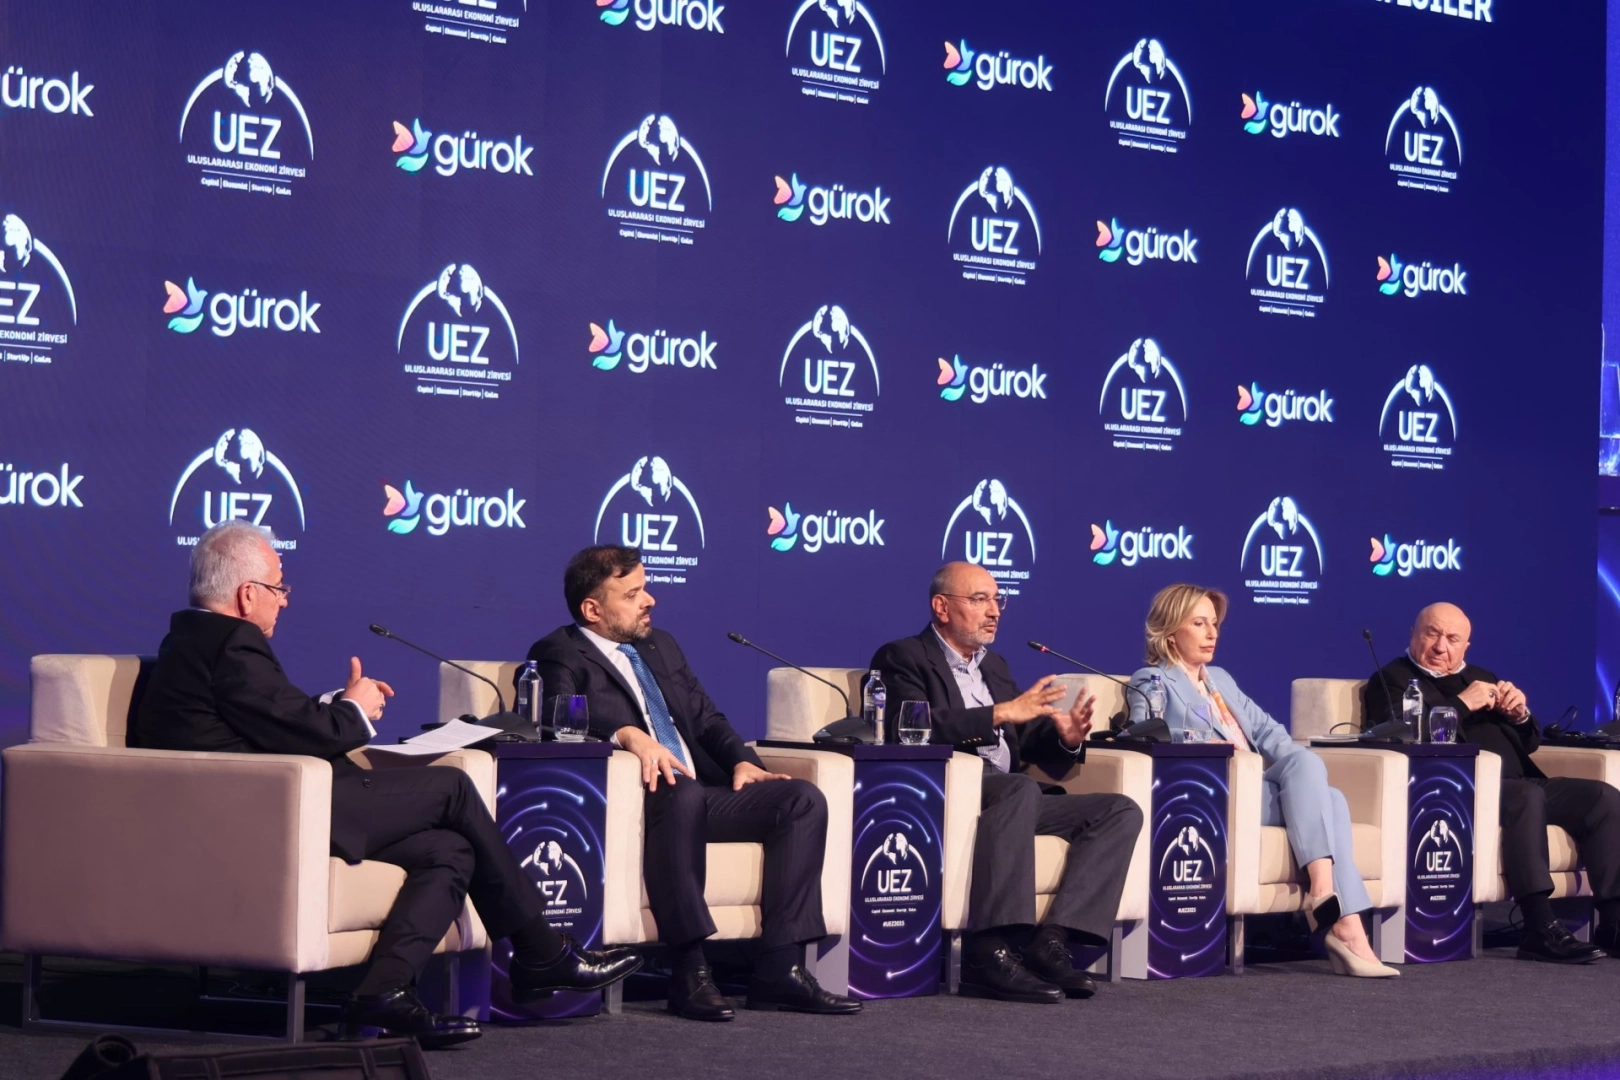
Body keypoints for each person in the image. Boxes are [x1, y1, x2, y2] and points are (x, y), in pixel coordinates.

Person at [133, 522, 641, 1048]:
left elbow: (265, 718)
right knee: (453, 788)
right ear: (247, 594)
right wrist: (355, 709)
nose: (284, 600)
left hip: (269, 800)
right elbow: (302, 732)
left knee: (450, 850)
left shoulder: (192, 640)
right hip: (276, 810)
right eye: (279, 588)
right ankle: (540, 951)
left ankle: (382, 994)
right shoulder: (232, 643)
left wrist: (336, 702)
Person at [525, 546, 860, 1021]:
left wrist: (742, 762)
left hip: (700, 794)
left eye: (645, 588)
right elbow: (551, 717)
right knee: (681, 790)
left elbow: (706, 718)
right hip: (639, 800)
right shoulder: (558, 652)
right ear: (593, 610)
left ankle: (779, 970)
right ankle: (689, 971)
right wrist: (626, 734)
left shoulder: (660, 645)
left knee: (801, 800)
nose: (650, 600)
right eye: (632, 594)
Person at [870, 562, 1143, 1003]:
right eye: (980, 600)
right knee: (1019, 787)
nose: (994, 611)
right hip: (946, 790)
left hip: (1011, 795)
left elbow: (1024, 736)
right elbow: (912, 727)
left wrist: (1066, 737)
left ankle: (1051, 943)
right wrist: (998, 713)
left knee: (1118, 810)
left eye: (998, 600)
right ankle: (989, 951)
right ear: (941, 607)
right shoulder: (903, 657)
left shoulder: (993, 666)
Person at [1128, 583, 1398, 977]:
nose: (1212, 633)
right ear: (1170, 633)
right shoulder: (1151, 679)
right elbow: (1142, 734)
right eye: (1199, 623)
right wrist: (1198, 743)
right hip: (1214, 790)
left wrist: (1304, 770)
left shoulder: (1220, 679)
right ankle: (1342, 922)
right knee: (1331, 799)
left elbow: (1268, 730)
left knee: (1323, 787)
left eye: (1214, 624)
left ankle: (1335, 908)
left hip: (1255, 786)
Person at [1363, 602, 1614, 964]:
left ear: (1466, 646)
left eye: (1452, 639)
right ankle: (1540, 928)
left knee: (1603, 798)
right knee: (1526, 797)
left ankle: (1614, 922)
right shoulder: (1392, 680)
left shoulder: (1482, 676)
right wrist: (1462, 704)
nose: (1440, 647)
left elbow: (1530, 743)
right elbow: (1404, 737)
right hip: (1460, 788)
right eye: (1432, 634)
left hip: (1521, 780)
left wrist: (1521, 714)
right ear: (1413, 634)